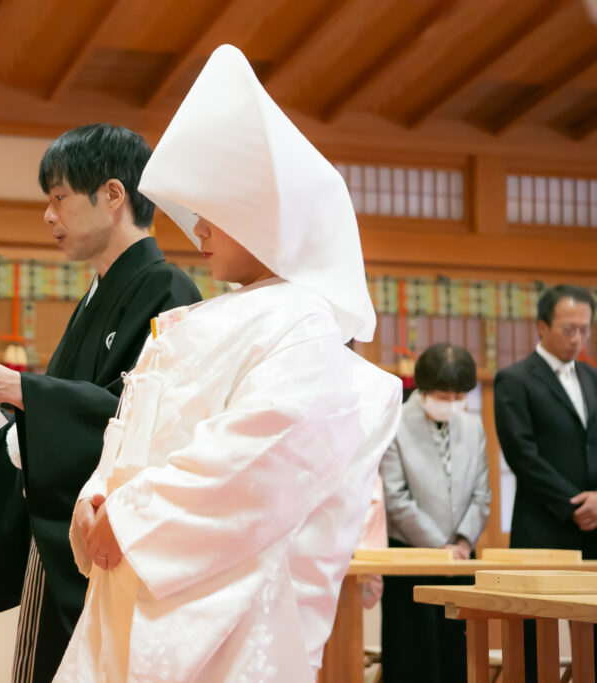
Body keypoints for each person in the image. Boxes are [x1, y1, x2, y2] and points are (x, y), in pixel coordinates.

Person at [55, 44, 402, 682]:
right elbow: (134, 429)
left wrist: (133, 517)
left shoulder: (302, 321)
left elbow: (259, 455)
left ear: (265, 216)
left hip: (226, 609)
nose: (198, 230)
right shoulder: (220, 317)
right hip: (135, 576)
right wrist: (99, 492)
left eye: (212, 211)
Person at [0, 124, 201, 682]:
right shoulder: (98, 294)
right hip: (60, 542)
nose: (49, 215)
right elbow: (71, 413)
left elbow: (144, 427)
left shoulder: (169, 292)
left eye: (59, 197)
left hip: (112, 543)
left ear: (114, 195)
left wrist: (18, 389)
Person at [495, 283, 597, 682]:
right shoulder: (515, 379)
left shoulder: (592, 378)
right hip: (543, 527)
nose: (578, 338)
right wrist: (576, 505)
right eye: (568, 329)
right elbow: (522, 456)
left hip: (594, 527)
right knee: (536, 642)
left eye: (585, 330)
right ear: (541, 326)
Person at [379, 342, 490, 683]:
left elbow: (482, 494)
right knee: (413, 658)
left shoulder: (472, 427)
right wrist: (439, 545)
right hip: (411, 559)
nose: (453, 404)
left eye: (460, 397)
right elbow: (395, 496)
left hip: (461, 558)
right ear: (424, 389)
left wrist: (462, 541)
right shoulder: (394, 421)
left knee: (458, 657)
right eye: (444, 395)